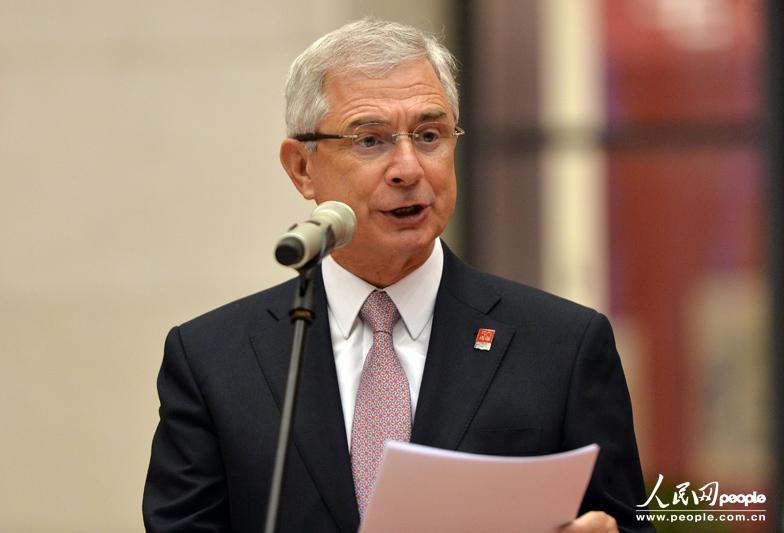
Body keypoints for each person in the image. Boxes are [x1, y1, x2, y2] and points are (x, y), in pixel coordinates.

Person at [143, 18, 652, 533]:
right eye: (371, 140)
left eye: (429, 135)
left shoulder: (562, 347)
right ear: (302, 168)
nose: (408, 167)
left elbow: (625, 523)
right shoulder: (213, 359)